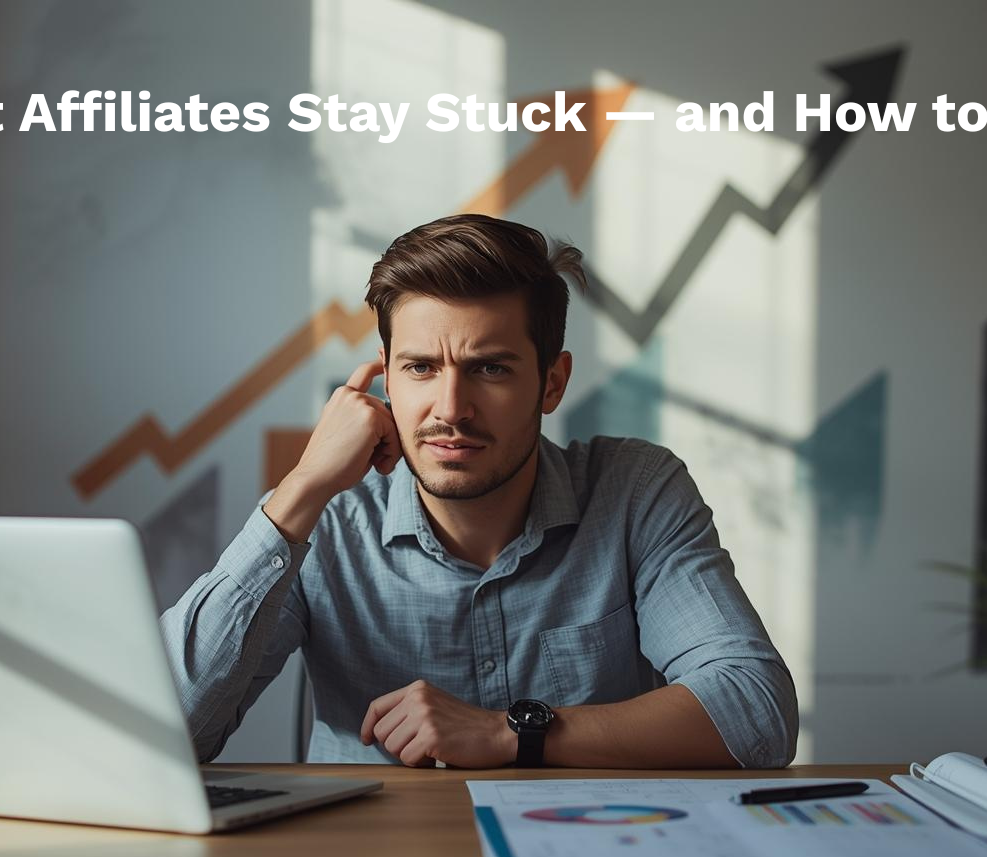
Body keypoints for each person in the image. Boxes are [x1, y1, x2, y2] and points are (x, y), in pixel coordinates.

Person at [161, 214, 797, 769]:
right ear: (383, 380)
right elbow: (162, 731)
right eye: (420, 368)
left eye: (489, 368)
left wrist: (508, 732)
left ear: (552, 383)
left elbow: (756, 710)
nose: (451, 408)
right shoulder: (323, 514)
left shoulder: (636, 492)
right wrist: (300, 489)